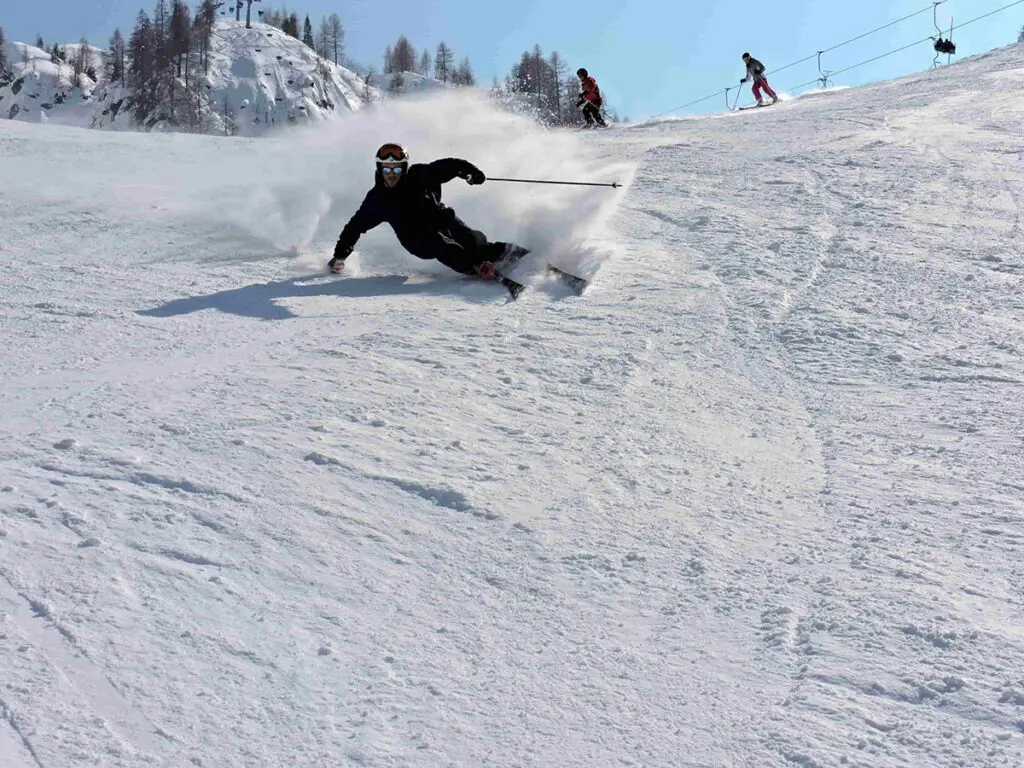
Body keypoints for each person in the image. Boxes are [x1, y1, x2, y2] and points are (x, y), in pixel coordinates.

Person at [328, 143, 524, 280]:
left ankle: (525, 257)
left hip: (441, 219)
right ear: (379, 169)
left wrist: (471, 173)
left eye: (396, 170)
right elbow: (354, 227)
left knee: (473, 240)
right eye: (386, 170)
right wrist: (340, 256)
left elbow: (450, 166)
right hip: (416, 239)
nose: (391, 175)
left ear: (404, 168)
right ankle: (474, 267)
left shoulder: (421, 175)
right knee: (441, 245)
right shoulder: (378, 199)